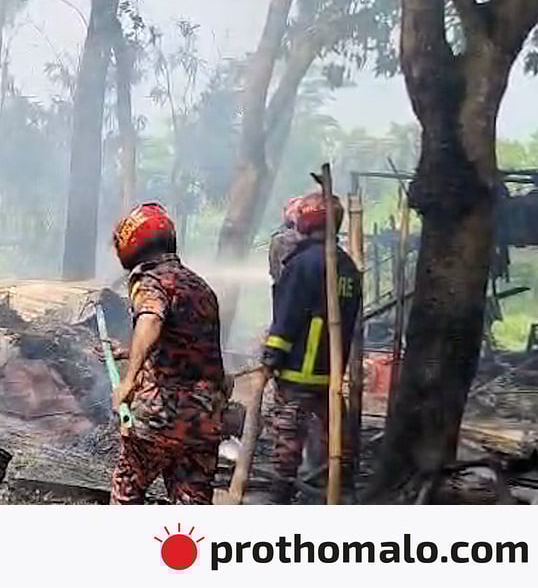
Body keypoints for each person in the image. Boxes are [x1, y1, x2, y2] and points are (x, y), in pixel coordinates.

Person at [102, 202, 229, 504]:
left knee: (128, 488)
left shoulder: (151, 280)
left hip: (161, 416)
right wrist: (130, 352)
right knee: (192, 501)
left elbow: (151, 319)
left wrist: (128, 381)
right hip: (203, 420)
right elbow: (188, 342)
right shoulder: (198, 285)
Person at [260, 192, 362, 504]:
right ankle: (340, 490)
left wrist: (271, 356)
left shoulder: (302, 264)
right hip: (330, 373)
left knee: (288, 436)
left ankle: (280, 495)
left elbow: (287, 317)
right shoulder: (347, 267)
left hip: (298, 371)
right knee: (335, 436)